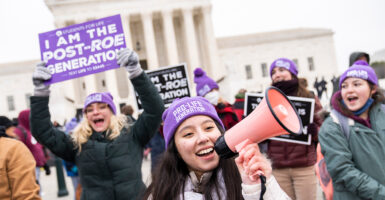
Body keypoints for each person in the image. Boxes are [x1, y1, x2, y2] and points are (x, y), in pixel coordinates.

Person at [29, 48, 164, 200]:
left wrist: (136, 72)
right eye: (90, 110)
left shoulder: (132, 134)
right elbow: (43, 132)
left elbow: (155, 110)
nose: (96, 112)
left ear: (112, 112)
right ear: (86, 116)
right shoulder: (77, 143)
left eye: (102, 107)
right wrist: (40, 91)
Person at [143, 96, 290, 200]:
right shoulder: (160, 193)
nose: (203, 138)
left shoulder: (246, 175)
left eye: (208, 127)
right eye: (188, 134)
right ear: (176, 151)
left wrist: (260, 188)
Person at [319, 61, 385, 199]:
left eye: (357, 84)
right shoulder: (332, 126)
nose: (349, 90)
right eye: (344, 86)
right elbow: (344, 171)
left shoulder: (383, 113)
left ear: (372, 89)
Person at [267, 58, 323, 200]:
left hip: (303, 167)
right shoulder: (267, 99)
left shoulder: (308, 97)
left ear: (292, 73)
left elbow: (325, 128)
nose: (277, 74)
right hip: (278, 168)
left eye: (281, 70)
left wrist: (314, 131)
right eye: (273, 72)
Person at [0, 125, 41, 200]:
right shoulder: (14, 147)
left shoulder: (13, 148)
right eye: (10, 127)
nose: (13, 130)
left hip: (31, 161)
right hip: (30, 160)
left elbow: (26, 195)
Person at [13, 109, 50, 188]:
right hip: (29, 168)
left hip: (36, 165)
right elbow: (18, 152)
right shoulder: (19, 132)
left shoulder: (30, 130)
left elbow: (37, 147)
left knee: (38, 188)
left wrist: (44, 163)